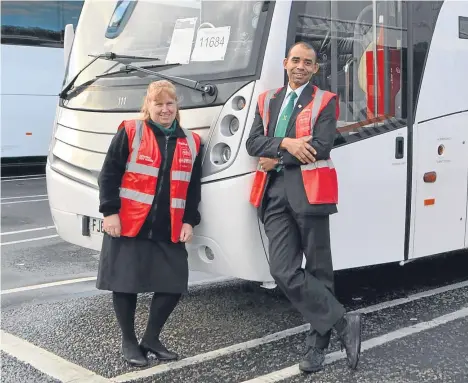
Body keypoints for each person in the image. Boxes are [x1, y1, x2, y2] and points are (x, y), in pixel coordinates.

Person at [245, 41, 362, 373]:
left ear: (315, 69)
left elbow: (322, 146)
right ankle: (342, 322)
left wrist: (277, 155)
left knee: (318, 270)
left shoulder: (325, 101)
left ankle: (316, 349)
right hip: (273, 193)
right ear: (285, 63)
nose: (300, 66)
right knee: (281, 270)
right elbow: (253, 142)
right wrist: (286, 142)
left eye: (307, 62)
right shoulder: (267, 100)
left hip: (311, 193)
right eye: (295, 60)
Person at [96, 80, 202, 366]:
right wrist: (109, 212)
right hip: (130, 223)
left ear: (177, 106)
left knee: (173, 283)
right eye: (159, 104)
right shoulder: (131, 131)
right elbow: (108, 175)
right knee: (126, 283)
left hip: (169, 226)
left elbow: (193, 188)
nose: (165, 109)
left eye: (170, 103)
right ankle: (129, 342)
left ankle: (151, 338)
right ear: (148, 106)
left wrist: (190, 221)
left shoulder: (192, 142)